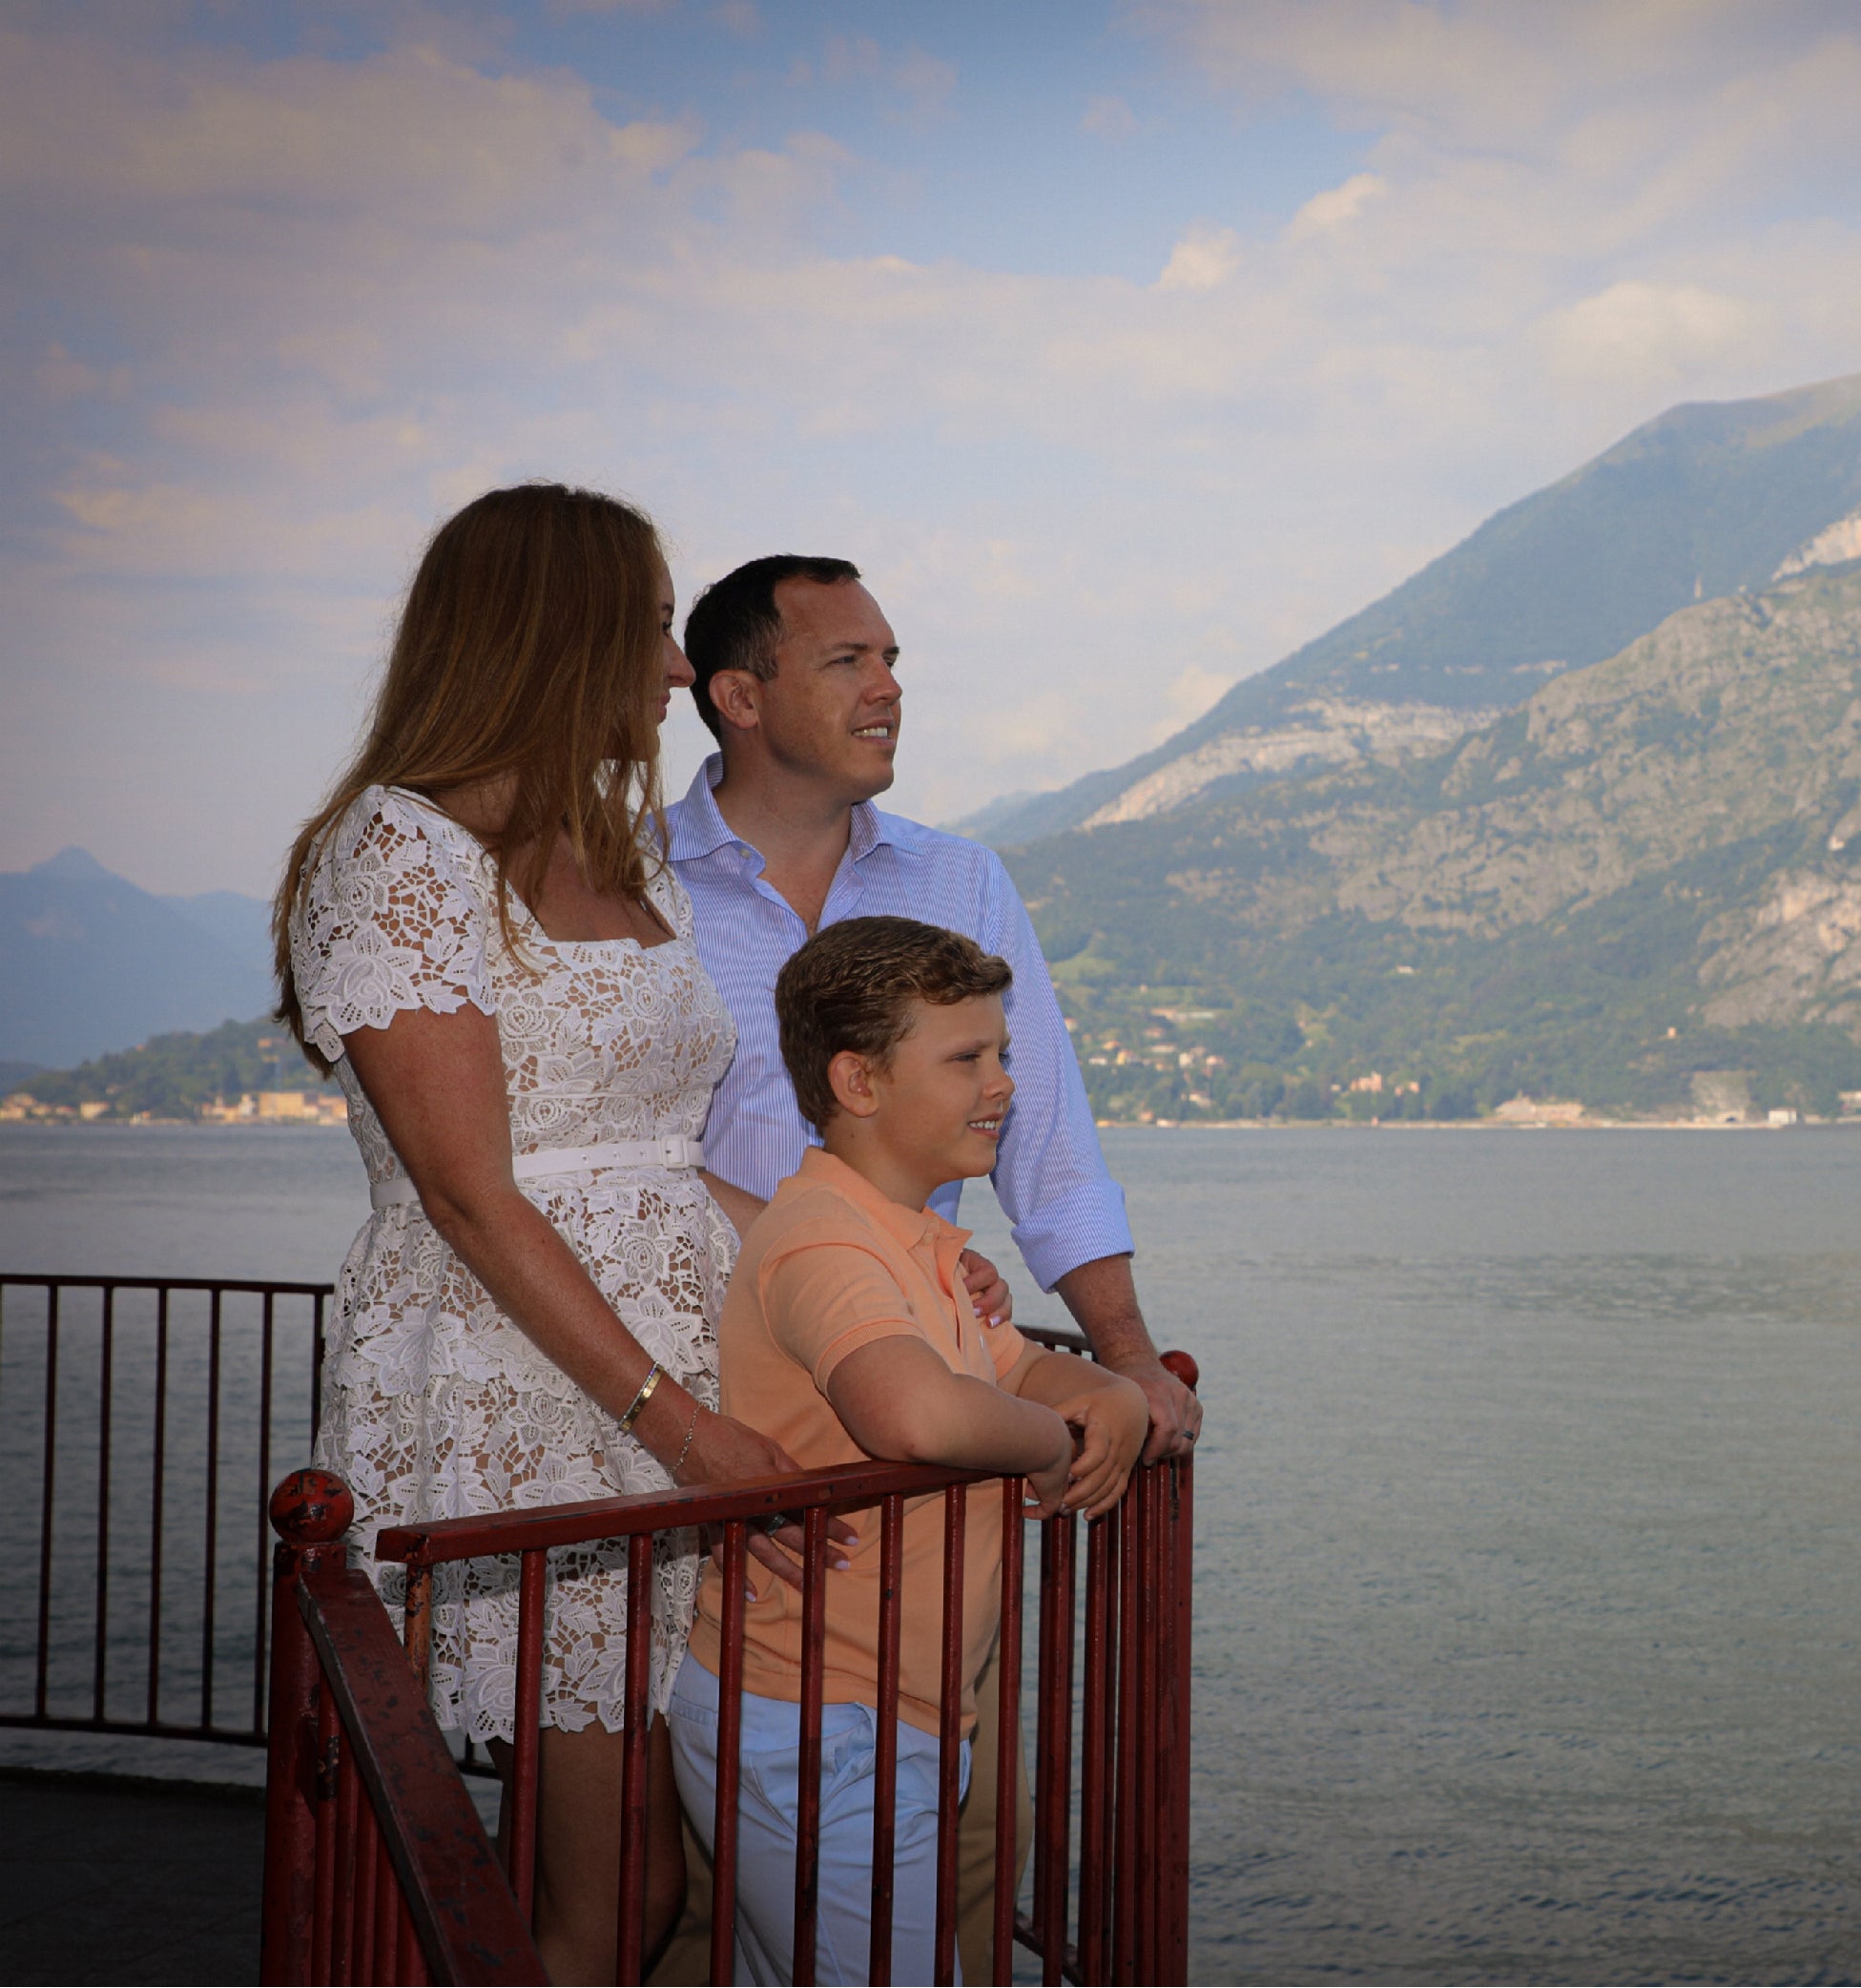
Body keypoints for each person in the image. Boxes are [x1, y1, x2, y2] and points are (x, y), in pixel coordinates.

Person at [274, 484, 835, 1980]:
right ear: (551, 631)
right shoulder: (395, 852)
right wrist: (668, 1423)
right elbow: (469, 1190)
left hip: (681, 1377)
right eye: (648, 624)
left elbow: (661, 1158)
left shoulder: (621, 848)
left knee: (651, 1871)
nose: (669, 667)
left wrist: (847, 1277)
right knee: (615, 1883)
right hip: (539, 1391)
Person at [671, 916, 1148, 1985]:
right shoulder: (825, 1240)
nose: (1004, 1086)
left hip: (872, 1710)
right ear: (860, 1080)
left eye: (1004, 1055)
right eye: (968, 1058)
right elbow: (918, 1416)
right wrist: (1049, 1445)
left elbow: (1014, 1368)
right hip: (816, 1718)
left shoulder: (916, 1241)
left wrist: (1105, 1390)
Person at [663, 553, 1199, 1461]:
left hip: (910, 1375)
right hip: (683, 1389)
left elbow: (1047, 1147)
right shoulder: (627, 883)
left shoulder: (962, 879)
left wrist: (1129, 1359)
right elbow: (622, 1153)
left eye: (891, 658)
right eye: (848, 662)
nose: (890, 687)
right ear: (740, 698)